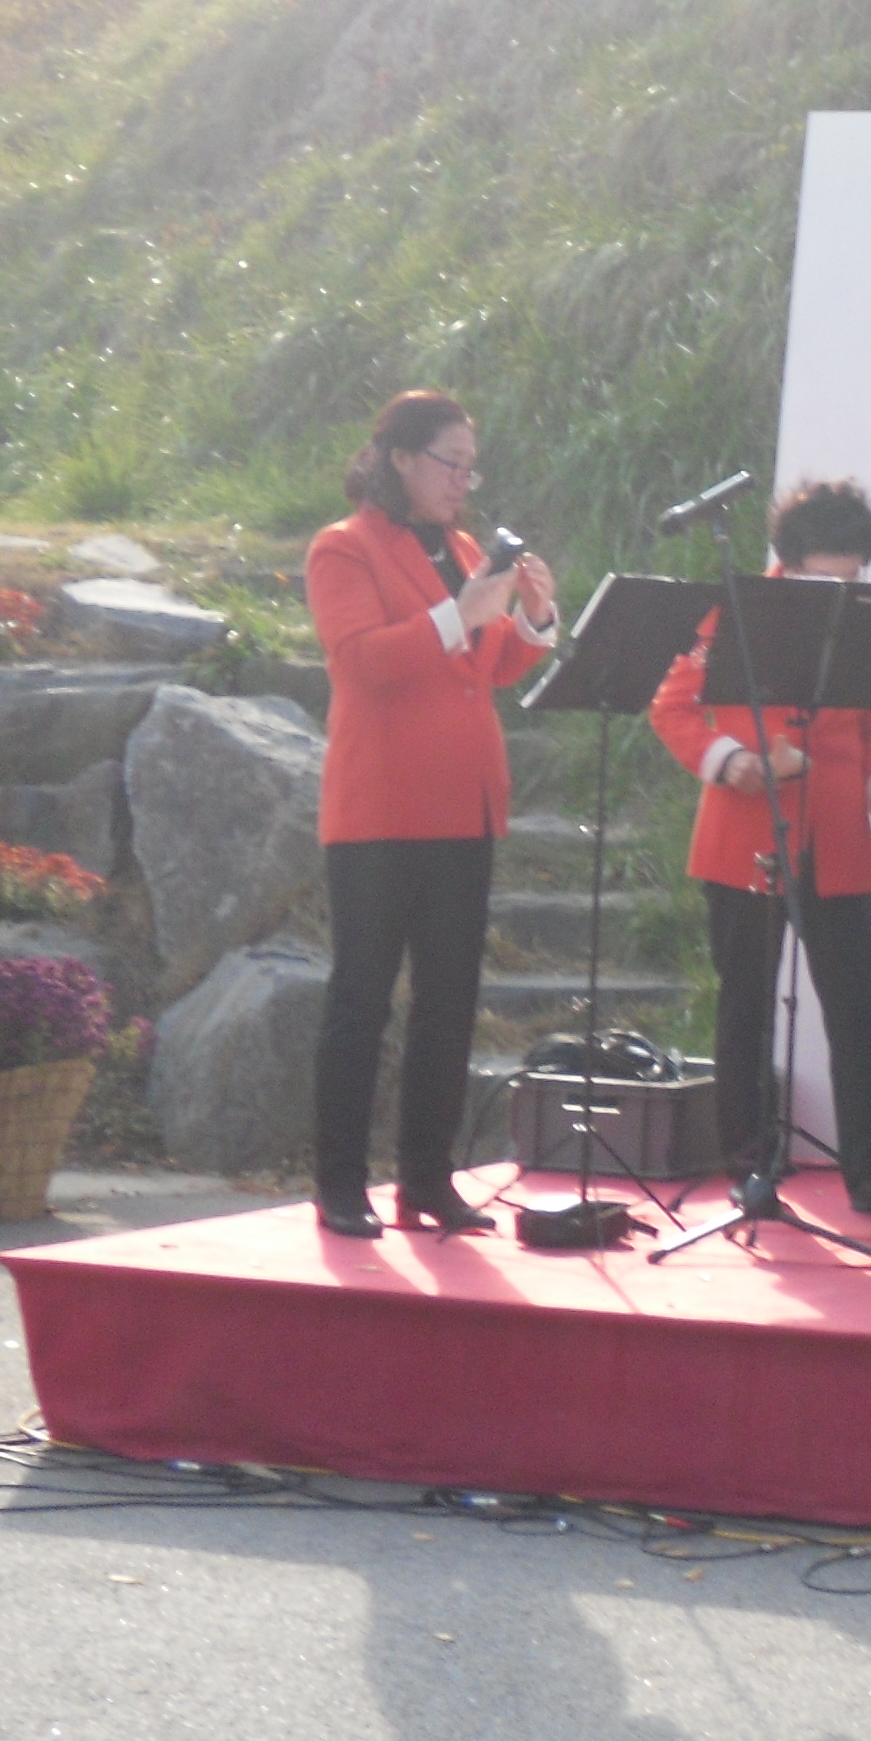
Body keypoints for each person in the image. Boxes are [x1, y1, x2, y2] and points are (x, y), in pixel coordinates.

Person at [305, 389, 557, 1239]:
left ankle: (427, 1180)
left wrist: (534, 620)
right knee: (362, 998)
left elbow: (486, 667)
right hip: (380, 806)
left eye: (470, 467)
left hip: (464, 801)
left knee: (449, 1002)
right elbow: (363, 662)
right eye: (451, 463)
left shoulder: (464, 550)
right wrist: (460, 613)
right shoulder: (343, 547)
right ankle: (341, 1184)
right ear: (402, 459)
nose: (462, 481)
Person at [646, 476, 871, 1216]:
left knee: (856, 1008)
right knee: (746, 1004)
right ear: (790, 562)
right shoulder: (732, 611)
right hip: (746, 831)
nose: (841, 592)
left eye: (852, 579)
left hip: (835, 834)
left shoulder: (862, 619)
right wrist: (731, 762)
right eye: (827, 578)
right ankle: (749, 1165)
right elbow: (672, 708)